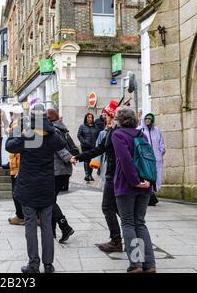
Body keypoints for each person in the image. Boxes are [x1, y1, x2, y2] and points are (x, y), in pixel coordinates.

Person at [6, 104, 66, 274]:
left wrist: (18, 129)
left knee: (30, 225)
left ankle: (33, 264)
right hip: (46, 186)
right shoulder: (52, 136)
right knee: (46, 225)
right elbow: (61, 143)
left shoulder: (27, 135)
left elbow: (9, 146)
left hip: (27, 186)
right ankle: (48, 265)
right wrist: (51, 128)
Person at [71, 100, 123, 253]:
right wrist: (79, 157)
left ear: (112, 116)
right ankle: (124, 235)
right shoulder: (113, 131)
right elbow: (99, 149)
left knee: (108, 207)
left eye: (106, 115)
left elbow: (101, 149)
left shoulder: (115, 132)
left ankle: (117, 240)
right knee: (116, 208)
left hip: (113, 175)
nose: (103, 117)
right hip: (114, 175)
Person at [112, 106, 156, 273]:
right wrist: (148, 182)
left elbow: (125, 160)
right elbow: (150, 159)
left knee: (128, 223)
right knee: (141, 223)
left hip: (127, 185)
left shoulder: (118, 135)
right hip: (146, 184)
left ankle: (136, 264)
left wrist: (135, 181)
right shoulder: (142, 134)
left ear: (119, 120)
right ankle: (150, 265)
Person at [46, 109, 77, 243]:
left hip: (57, 170)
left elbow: (59, 148)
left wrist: (69, 158)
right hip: (62, 170)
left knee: (49, 200)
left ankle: (64, 226)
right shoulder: (61, 128)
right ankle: (51, 231)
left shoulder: (54, 130)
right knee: (51, 200)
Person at [140, 113, 165, 206]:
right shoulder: (140, 130)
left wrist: (160, 152)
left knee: (156, 177)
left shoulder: (157, 131)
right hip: (145, 159)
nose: (148, 121)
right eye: (146, 119)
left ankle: (152, 195)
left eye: (150, 119)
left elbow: (161, 143)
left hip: (156, 159)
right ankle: (149, 197)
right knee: (147, 176)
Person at [7, 104, 25, 226]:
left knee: (17, 192)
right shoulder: (16, 125)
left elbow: (17, 146)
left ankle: (21, 216)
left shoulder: (20, 126)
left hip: (20, 164)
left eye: (12, 114)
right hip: (15, 163)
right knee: (16, 192)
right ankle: (21, 214)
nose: (11, 116)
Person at [77, 112, 100, 181]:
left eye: (91, 117)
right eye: (88, 117)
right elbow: (79, 135)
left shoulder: (96, 126)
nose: (90, 119)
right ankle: (87, 174)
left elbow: (98, 136)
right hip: (85, 146)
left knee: (91, 161)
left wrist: (97, 143)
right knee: (86, 160)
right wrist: (83, 142)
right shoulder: (82, 126)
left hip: (93, 146)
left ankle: (90, 175)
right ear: (86, 118)